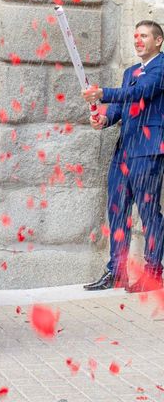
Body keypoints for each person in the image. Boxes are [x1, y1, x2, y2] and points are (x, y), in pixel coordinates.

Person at [82, 20, 164, 293]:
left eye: (144, 36)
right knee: (117, 210)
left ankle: (153, 273)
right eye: (135, 36)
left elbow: (140, 93)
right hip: (124, 151)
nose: (138, 40)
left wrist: (102, 92)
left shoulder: (161, 68)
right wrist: (104, 119)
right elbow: (122, 106)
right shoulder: (130, 71)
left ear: (158, 41)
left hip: (148, 151)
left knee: (149, 213)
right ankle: (117, 272)